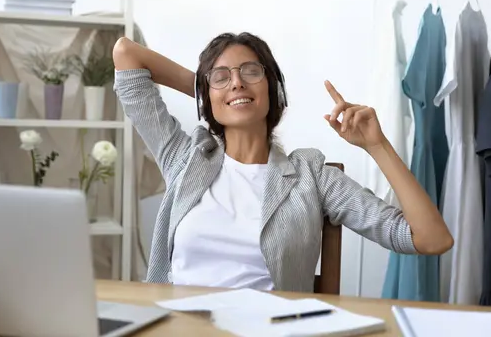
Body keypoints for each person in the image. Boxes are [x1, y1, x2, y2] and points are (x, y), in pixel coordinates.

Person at [112, 32, 453, 293]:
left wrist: (377, 146)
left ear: (274, 89)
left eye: (250, 72)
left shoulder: (311, 176)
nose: (237, 81)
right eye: (222, 76)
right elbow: (126, 54)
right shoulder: (185, 158)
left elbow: (432, 239)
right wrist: (213, 91)